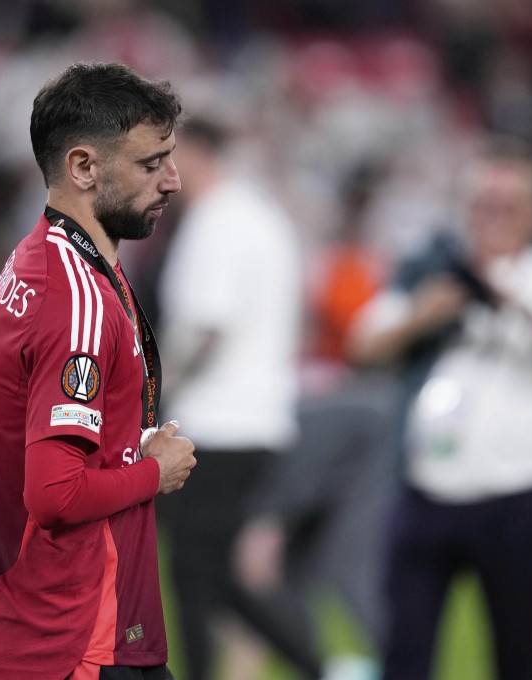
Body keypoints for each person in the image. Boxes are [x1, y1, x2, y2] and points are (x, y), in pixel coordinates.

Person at [0, 61, 196, 680]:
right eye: (151, 164)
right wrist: (155, 471)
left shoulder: (48, 255)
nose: (173, 180)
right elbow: (53, 493)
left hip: (70, 620)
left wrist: (127, 446)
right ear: (83, 167)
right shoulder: (76, 298)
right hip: (71, 636)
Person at [347, 135, 532, 680]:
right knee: (405, 651)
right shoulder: (433, 270)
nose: (492, 218)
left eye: (507, 206)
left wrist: (516, 304)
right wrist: (425, 315)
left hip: (515, 495)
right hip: (428, 487)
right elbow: (362, 346)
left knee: (517, 654)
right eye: (481, 205)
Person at [155, 116, 313, 680]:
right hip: (262, 419)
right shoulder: (263, 217)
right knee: (213, 575)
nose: (160, 176)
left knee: (195, 578)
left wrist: (154, 390)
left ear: (195, 154)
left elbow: (206, 326)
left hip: (217, 422)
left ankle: (318, 666)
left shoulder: (217, 221)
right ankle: (320, 666)